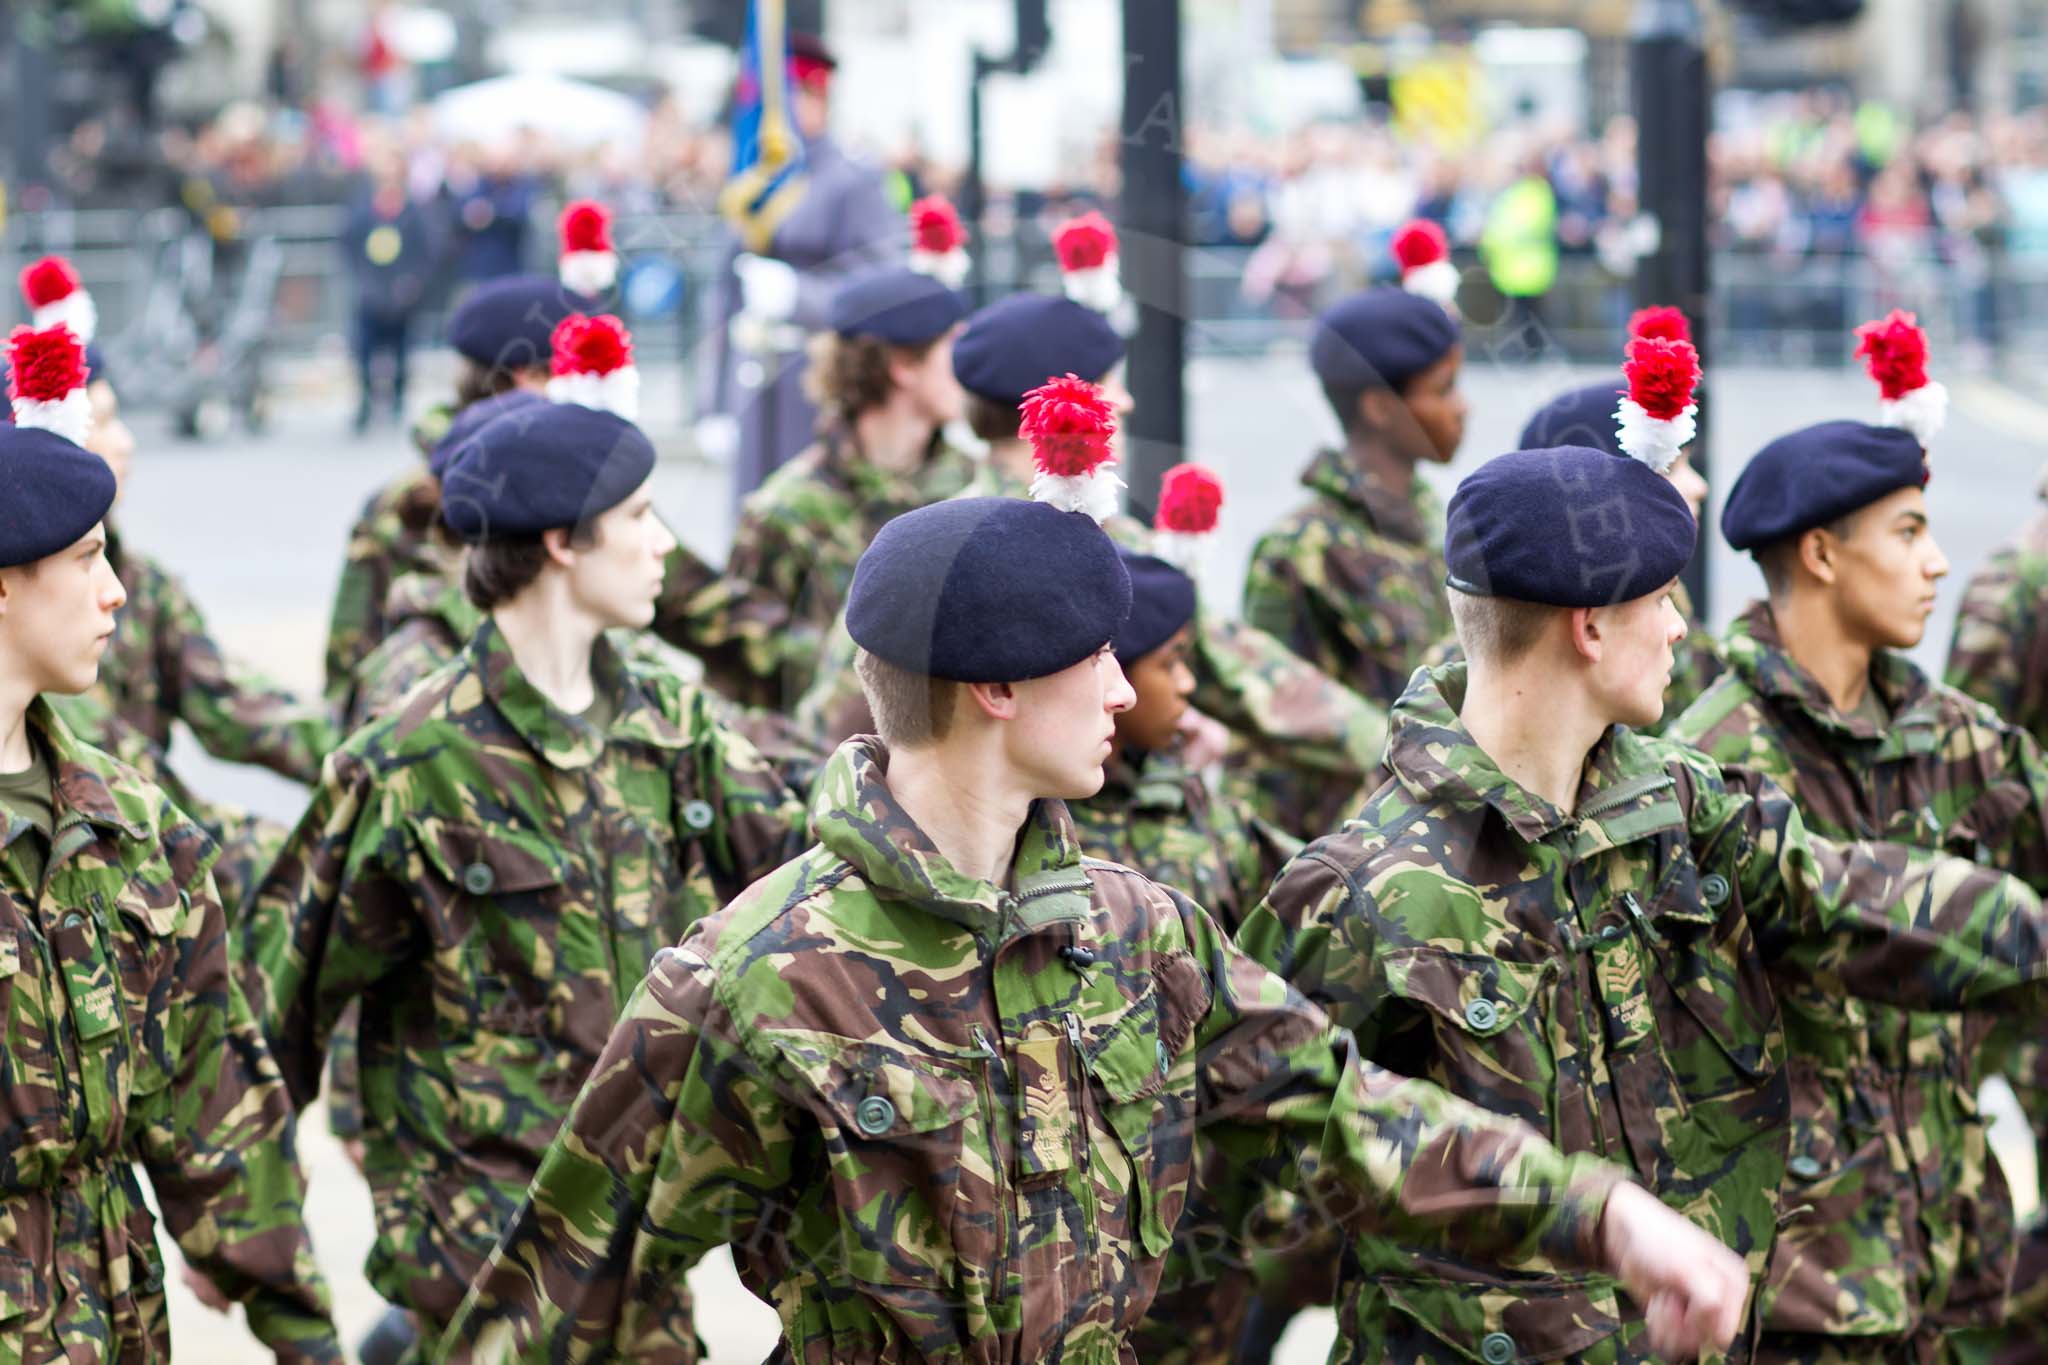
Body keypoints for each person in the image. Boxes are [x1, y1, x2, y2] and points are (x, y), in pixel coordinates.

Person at [439, 376, 1752, 1363]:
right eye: (1096, 659)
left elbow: (1346, 1117)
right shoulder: (753, 982)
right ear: (998, 686)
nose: (1127, 691)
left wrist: (1610, 1219)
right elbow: (568, 1295)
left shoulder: (1137, 935)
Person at [1235, 441, 2048, 1362]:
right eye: (1661, 601)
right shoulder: (1364, 886)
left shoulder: (1681, 807)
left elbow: (1851, 900)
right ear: (1590, 627)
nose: (1676, 630)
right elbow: (1264, 1137)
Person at [236, 393, 806, 1359]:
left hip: (644, 1259)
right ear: (561, 544)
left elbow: (808, 891)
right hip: (482, 1270)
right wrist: (265, 1275)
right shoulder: (413, 762)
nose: (663, 545)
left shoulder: (667, 722)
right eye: (638, 518)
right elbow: (267, 1020)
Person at [1668, 315, 2048, 1361]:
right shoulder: (1713, 759)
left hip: (1954, 1257)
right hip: (1801, 1288)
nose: (1935, 565)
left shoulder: (1947, 734)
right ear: (1822, 553)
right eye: (1907, 532)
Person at [0, 322, 340, 1360]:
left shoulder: (134, 833)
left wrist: (303, 1335)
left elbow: (216, 1121)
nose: (115, 594)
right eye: (87, 560)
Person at [795, 291, 1390, 839]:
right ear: (1067, 411)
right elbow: (1262, 684)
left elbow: (837, 714)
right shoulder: (1101, 543)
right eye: (1110, 385)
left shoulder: (928, 538)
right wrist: (1398, 744)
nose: (1126, 401)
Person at [725, 263, 971, 704]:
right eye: (952, 344)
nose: (967, 362)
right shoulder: (787, 509)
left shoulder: (973, 488)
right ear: (902, 365)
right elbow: (745, 672)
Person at [1242, 261, 1463, 708]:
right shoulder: (1300, 549)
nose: (1462, 408)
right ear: (1381, 407)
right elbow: (1277, 720)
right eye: (1443, 390)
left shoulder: (1430, 515)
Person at [702, 31, 907, 510]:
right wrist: (710, 405)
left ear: (819, 99)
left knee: (809, 522)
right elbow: (722, 295)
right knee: (751, 524)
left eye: (784, 100)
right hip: (752, 378)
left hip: (818, 382)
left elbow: (883, 282)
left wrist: (798, 295)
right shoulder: (754, 181)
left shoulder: (855, 179)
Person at [340, 135, 442, 433]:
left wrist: (411, 283)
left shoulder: (414, 212)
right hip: (370, 293)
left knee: (401, 351)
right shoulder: (362, 209)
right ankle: (365, 403)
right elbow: (349, 247)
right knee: (363, 350)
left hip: (402, 293)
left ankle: (397, 400)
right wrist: (364, 285)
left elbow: (426, 252)